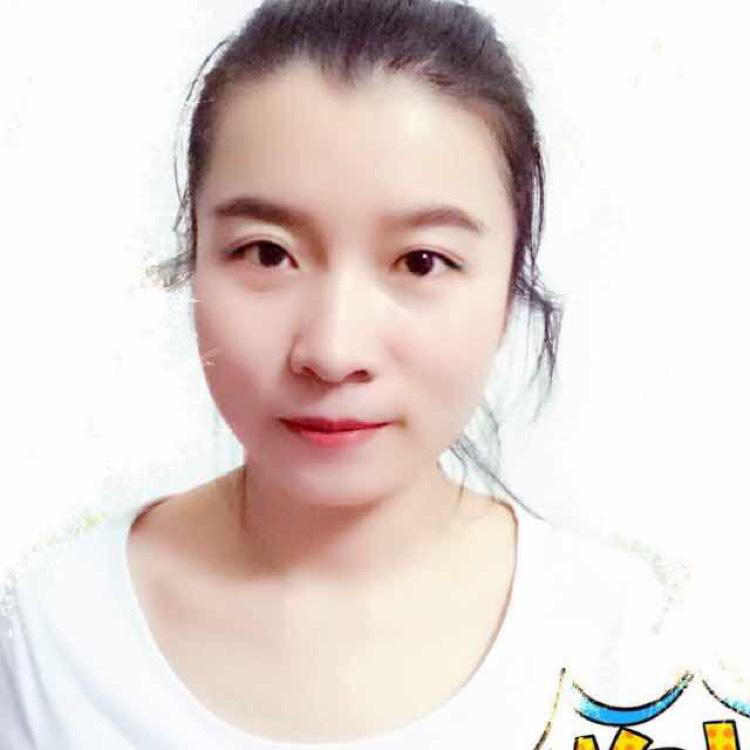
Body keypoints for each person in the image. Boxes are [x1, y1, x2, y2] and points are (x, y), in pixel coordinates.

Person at [0, 1, 701, 747]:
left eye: (421, 262)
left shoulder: (631, 648)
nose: (333, 352)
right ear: (194, 255)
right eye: (268, 253)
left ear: (509, 285)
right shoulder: (49, 634)